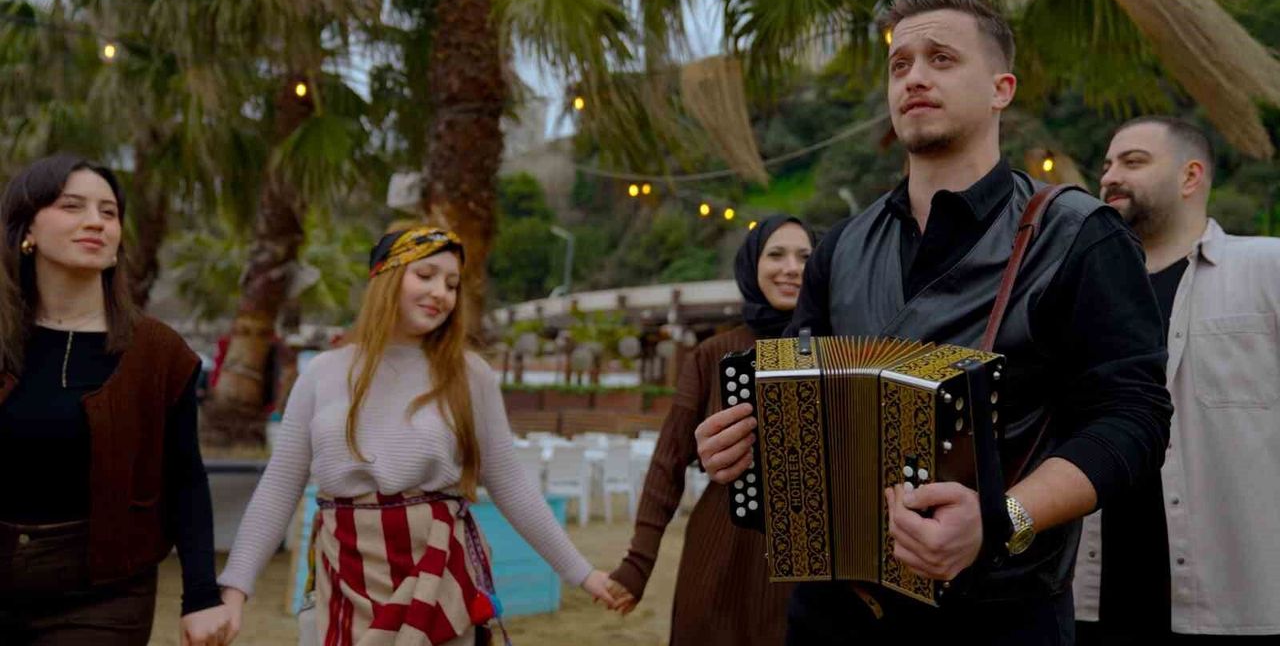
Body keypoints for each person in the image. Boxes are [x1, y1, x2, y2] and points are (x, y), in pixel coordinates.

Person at [693, 0, 1173, 644]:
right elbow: (795, 402)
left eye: (942, 59)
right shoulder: (840, 246)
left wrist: (1001, 517)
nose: (914, 77)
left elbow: (1134, 418)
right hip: (832, 612)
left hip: (1000, 616)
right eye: (900, 64)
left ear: (1002, 88)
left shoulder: (1079, 235)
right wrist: (742, 445)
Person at [217, 225, 623, 645]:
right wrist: (234, 589)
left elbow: (510, 483)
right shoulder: (323, 373)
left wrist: (582, 573)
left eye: (452, 284)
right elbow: (279, 486)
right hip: (343, 581)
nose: (440, 293)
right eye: (425, 275)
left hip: (438, 584)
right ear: (385, 277)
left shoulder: (471, 376)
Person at [0, 154, 231, 645]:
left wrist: (202, 595)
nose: (96, 222)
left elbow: (185, 477)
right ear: (27, 229)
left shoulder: (158, 352)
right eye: (72, 206)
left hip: (103, 595)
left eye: (109, 212)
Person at [1074, 116, 1280, 644]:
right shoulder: (1082, 293)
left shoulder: (1267, 269)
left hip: (1236, 600)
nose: (1110, 177)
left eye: (1133, 162)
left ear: (1191, 177)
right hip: (1095, 599)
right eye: (1107, 165)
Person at [605, 214, 813, 644]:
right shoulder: (711, 354)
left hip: (808, 565)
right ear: (752, 265)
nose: (791, 268)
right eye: (776, 255)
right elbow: (668, 461)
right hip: (720, 552)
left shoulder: (837, 349)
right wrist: (638, 563)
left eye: (805, 257)